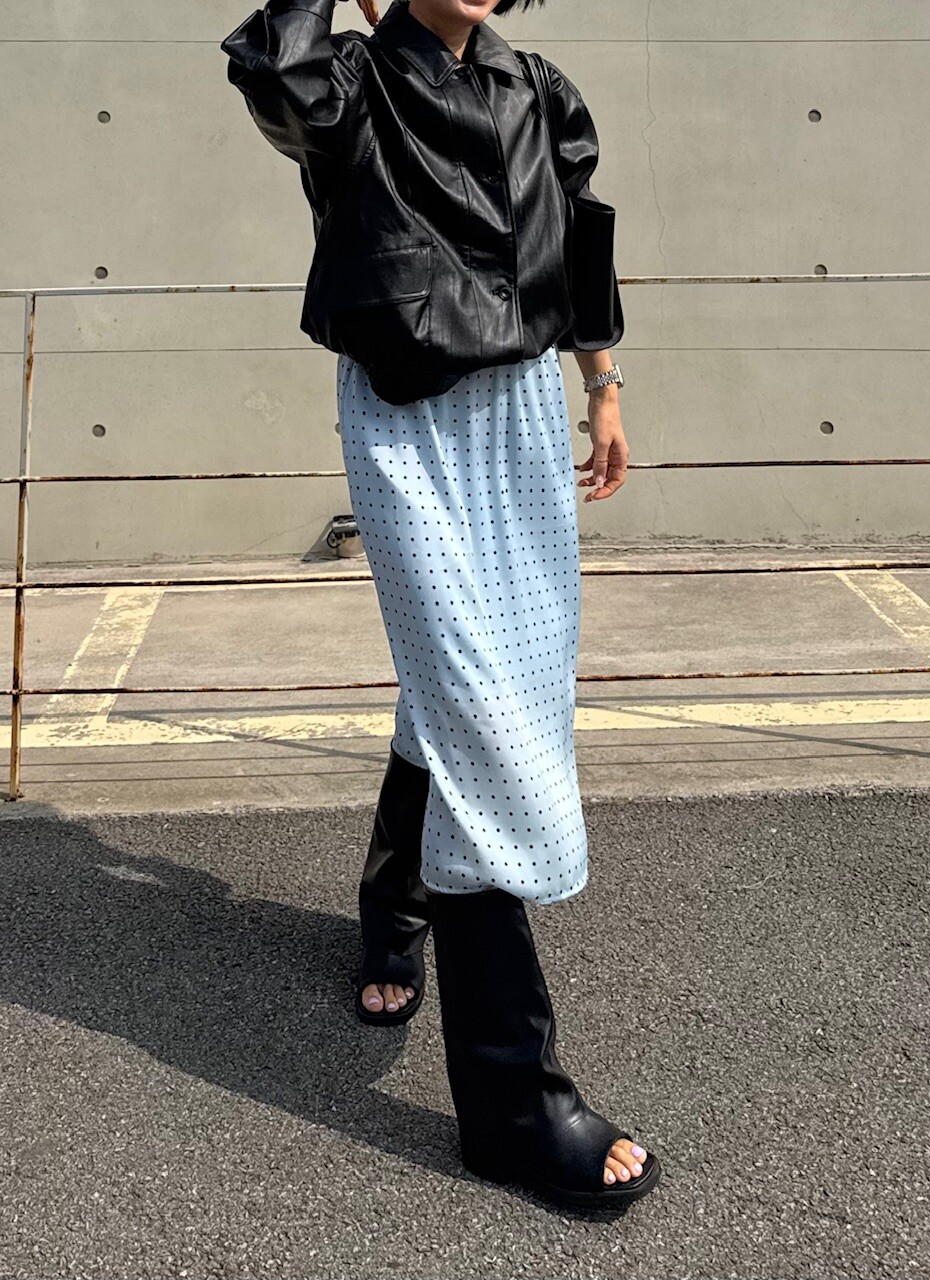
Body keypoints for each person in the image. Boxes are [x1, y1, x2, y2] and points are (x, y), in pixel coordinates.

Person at [221, 0, 660, 1210]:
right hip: (410, 423)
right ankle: (513, 1103)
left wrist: (605, 385)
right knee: (479, 708)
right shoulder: (348, 82)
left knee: (469, 689)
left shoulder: (538, 87)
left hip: (519, 413)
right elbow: (275, 71)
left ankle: (393, 906)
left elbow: (578, 234)